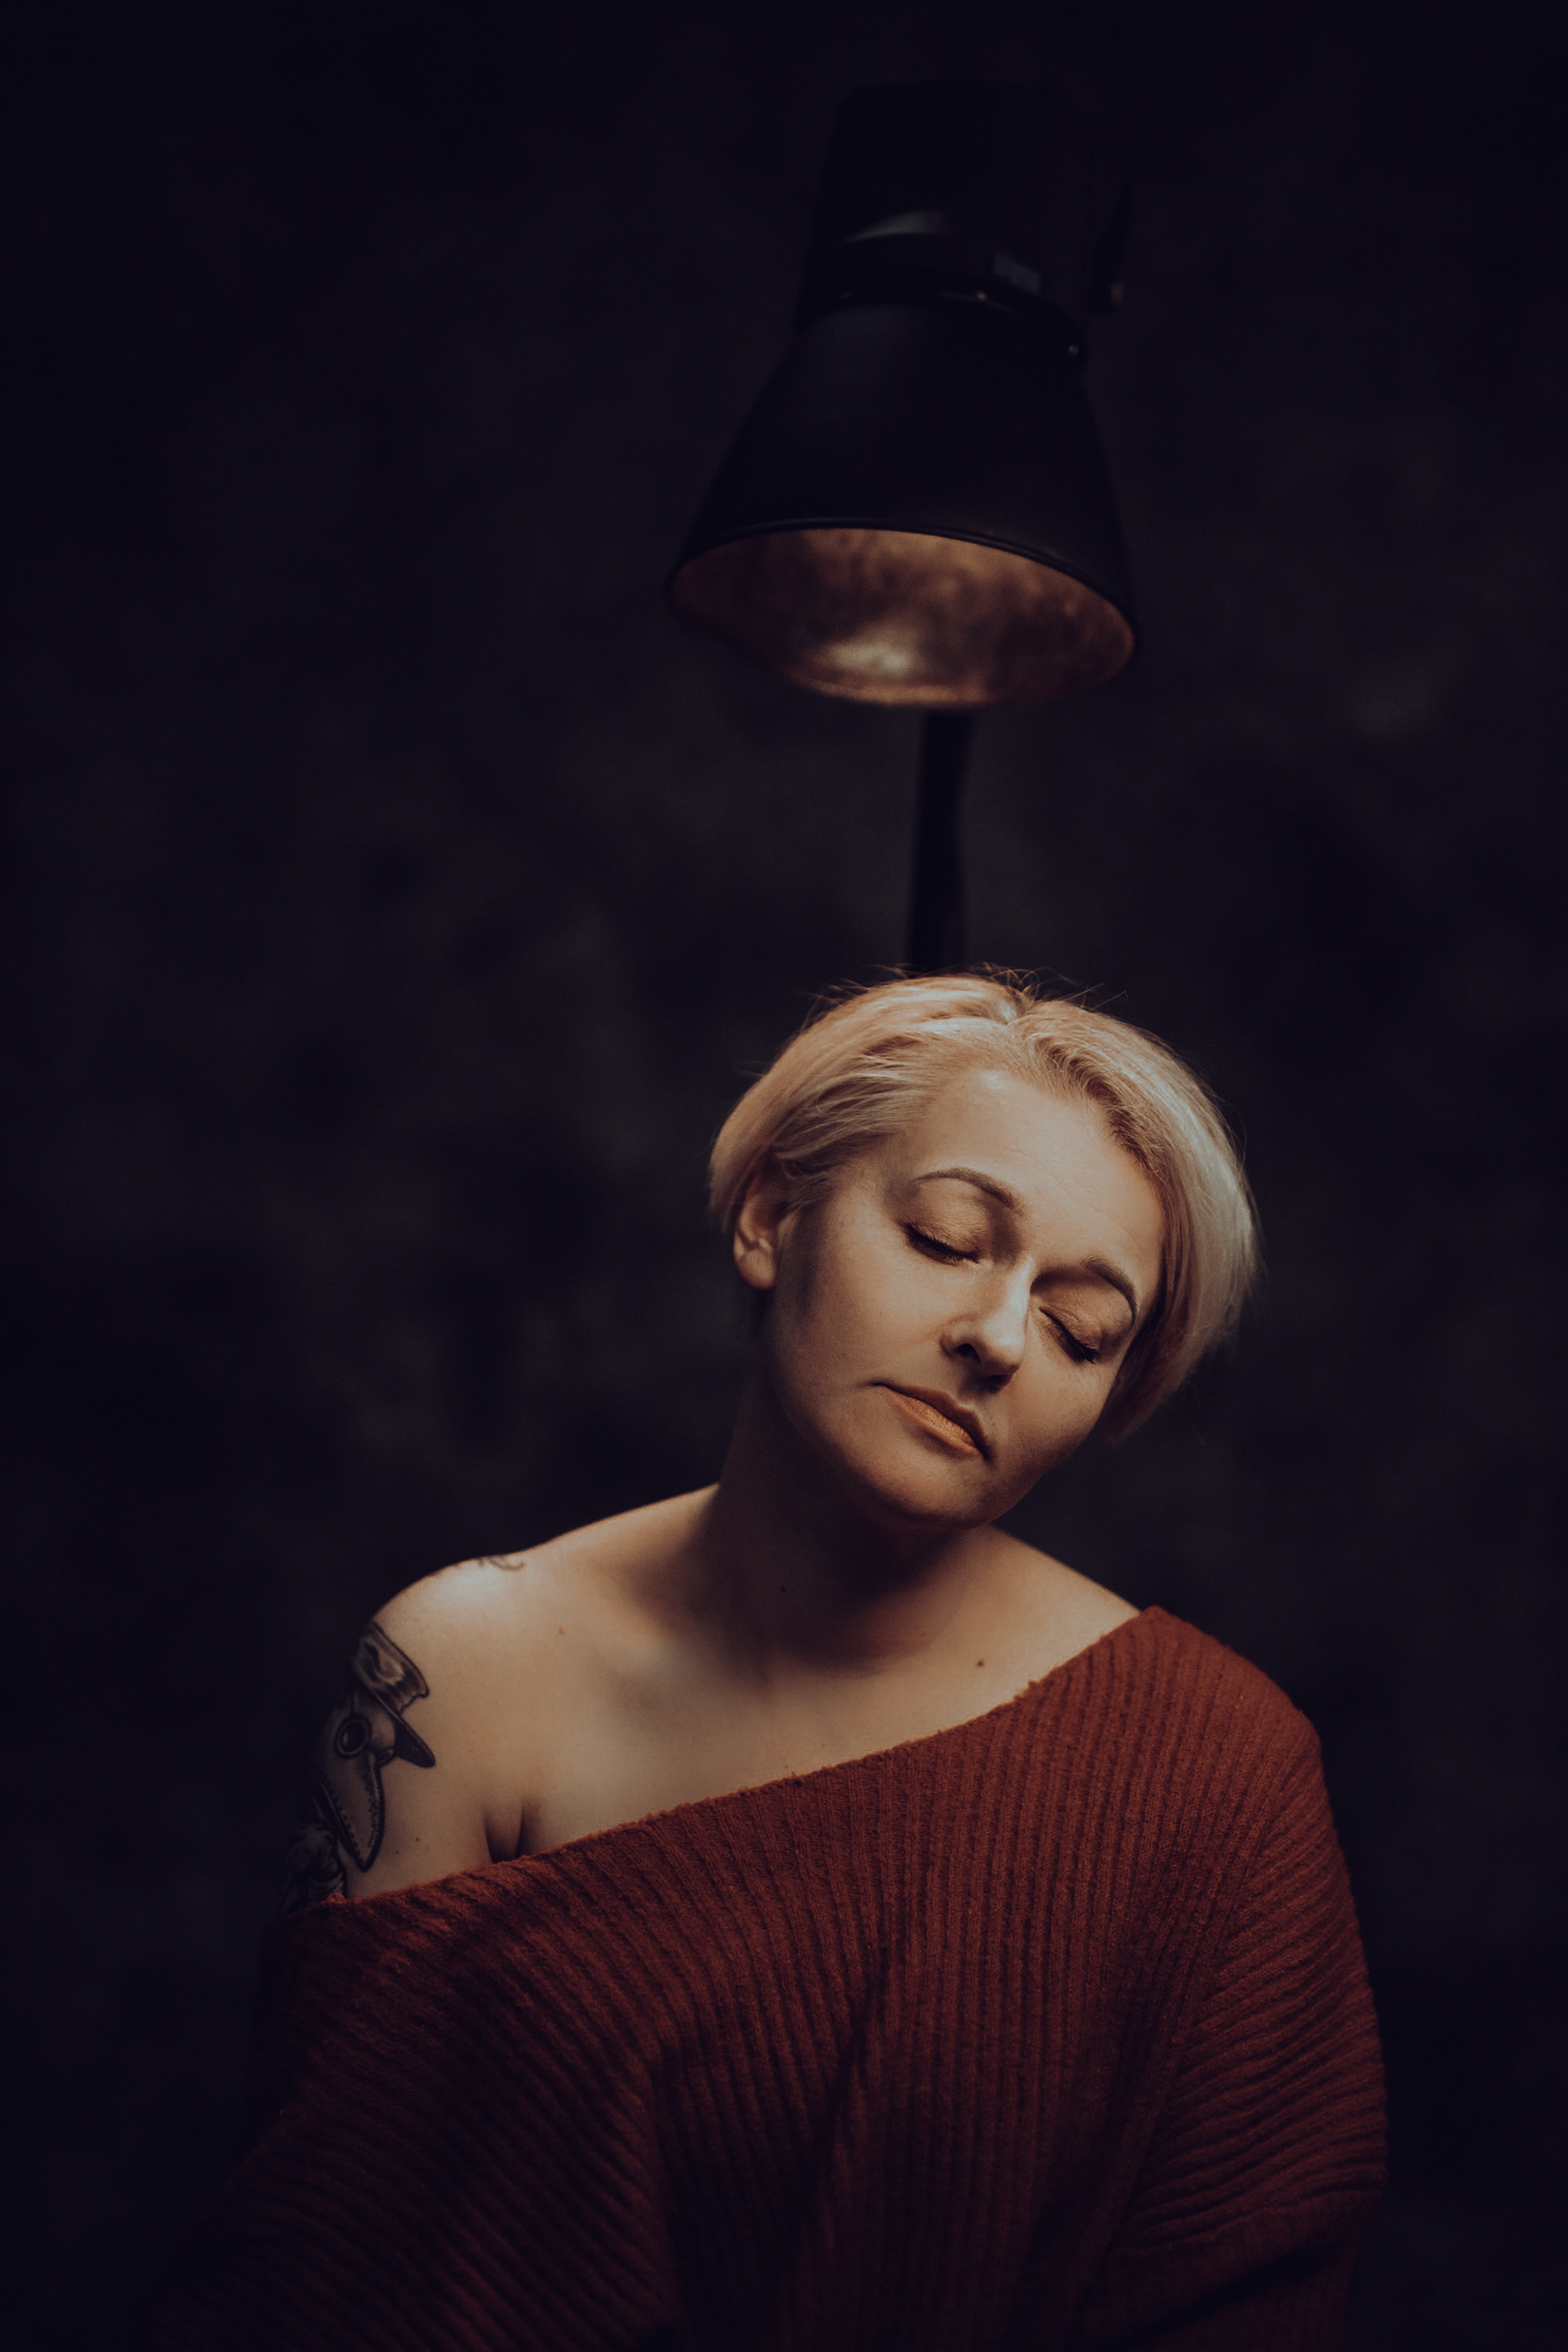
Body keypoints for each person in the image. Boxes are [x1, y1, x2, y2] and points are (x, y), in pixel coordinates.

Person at [150, 973, 1385, 2350]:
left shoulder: (1219, 1777)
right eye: (945, 1239)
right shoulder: (459, 1677)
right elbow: (328, 2274)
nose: (995, 1338)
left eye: (1078, 1328)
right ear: (770, 1215)